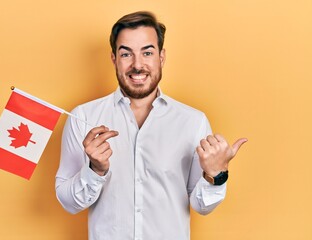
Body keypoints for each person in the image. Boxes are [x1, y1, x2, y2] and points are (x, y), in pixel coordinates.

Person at [55, 11, 247, 240]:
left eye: (147, 52)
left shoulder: (193, 121)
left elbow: (202, 206)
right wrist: (95, 170)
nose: (137, 65)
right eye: (126, 54)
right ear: (114, 58)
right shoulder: (83, 117)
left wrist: (216, 175)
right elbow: (69, 203)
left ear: (161, 57)